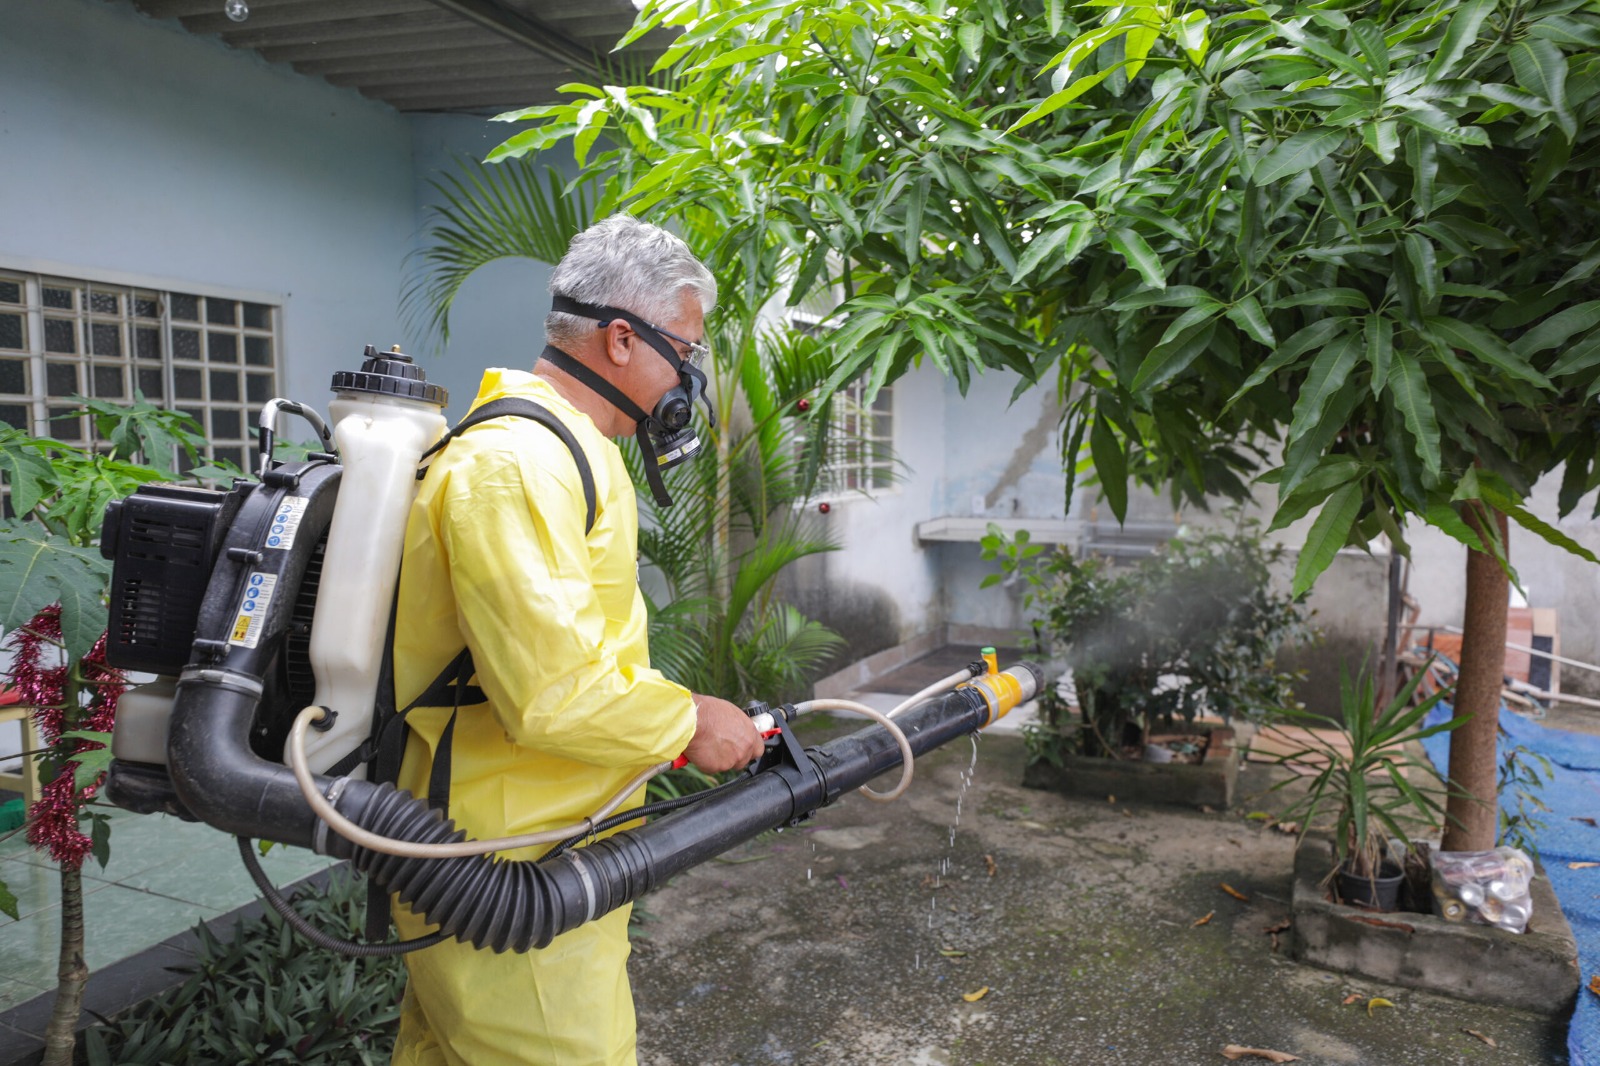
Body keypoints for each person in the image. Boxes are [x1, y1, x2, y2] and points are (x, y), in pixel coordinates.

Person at [388, 215, 766, 1066]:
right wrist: (690, 720)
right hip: (501, 869)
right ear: (622, 339)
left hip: (544, 849)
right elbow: (551, 694)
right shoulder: (517, 463)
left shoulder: (569, 449)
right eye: (687, 352)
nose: (689, 378)